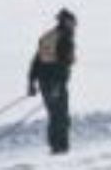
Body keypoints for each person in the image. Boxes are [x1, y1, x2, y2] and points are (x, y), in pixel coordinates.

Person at [28, 8, 77, 155]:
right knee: (61, 115)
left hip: (44, 82)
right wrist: (58, 84)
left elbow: (36, 61)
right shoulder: (65, 38)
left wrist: (31, 82)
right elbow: (62, 64)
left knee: (54, 114)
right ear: (66, 22)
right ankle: (61, 148)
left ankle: (55, 146)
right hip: (56, 83)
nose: (74, 25)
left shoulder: (48, 37)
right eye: (72, 22)